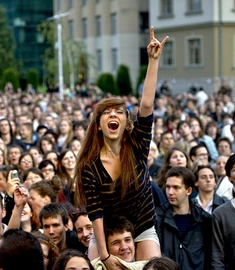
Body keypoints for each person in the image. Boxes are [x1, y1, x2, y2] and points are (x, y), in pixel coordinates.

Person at [74, 27, 167, 268]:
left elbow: (146, 105)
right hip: (107, 232)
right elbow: (95, 213)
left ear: (126, 123)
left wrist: (153, 61)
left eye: (119, 112)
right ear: (98, 126)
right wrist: (105, 256)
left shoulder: (137, 144)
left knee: (153, 268)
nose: (113, 115)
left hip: (142, 225)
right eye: (107, 113)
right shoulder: (89, 165)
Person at [155, 167, 212, 269]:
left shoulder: (204, 220)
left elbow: (211, 257)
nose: (170, 192)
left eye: (176, 187)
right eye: (168, 187)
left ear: (188, 190)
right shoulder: (158, 218)